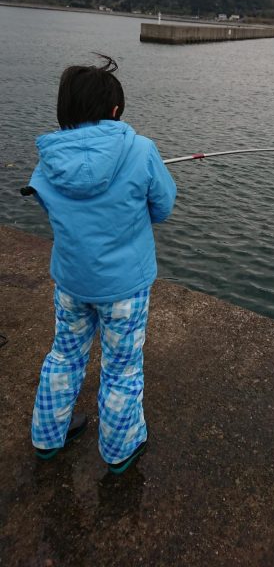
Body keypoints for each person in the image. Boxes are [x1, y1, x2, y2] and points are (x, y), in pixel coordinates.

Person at [28, 54, 176, 474]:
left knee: (64, 355)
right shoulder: (142, 150)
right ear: (114, 111)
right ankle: (120, 449)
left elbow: (52, 210)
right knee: (122, 369)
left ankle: (46, 435)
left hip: (72, 283)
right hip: (125, 290)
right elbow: (163, 207)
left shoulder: (47, 161)